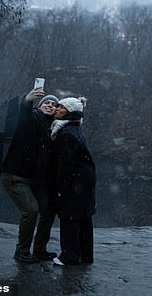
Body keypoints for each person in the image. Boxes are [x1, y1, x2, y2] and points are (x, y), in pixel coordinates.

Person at [0, 88, 59, 263]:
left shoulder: (52, 126)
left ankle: (40, 250)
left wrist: (77, 107)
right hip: (15, 176)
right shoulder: (33, 118)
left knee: (48, 210)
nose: (50, 105)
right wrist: (27, 100)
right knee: (31, 210)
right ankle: (22, 252)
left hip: (34, 179)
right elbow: (24, 114)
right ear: (40, 106)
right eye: (46, 102)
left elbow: (69, 119)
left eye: (54, 104)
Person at [50, 97, 96, 266]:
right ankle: (86, 256)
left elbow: (65, 165)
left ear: (68, 112)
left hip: (75, 184)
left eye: (61, 107)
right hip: (84, 183)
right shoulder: (74, 129)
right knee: (84, 220)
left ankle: (69, 256)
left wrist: (61, 189)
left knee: (69, 219)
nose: (56, 109)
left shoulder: (66, 133)